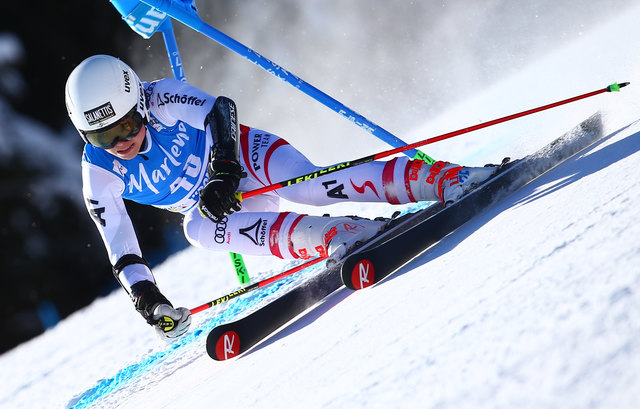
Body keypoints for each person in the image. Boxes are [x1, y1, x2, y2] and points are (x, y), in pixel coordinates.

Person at [65, 55, 497, 339]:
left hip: (245, 159)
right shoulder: (99, 173)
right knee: (196, 228)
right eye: (101, 136)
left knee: (308, 186)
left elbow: (220, 111)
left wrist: (225, 171)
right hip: (223, 208)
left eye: (124, 126)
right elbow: (121, 247)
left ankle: (441, 179)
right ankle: (338, 235)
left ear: (138, 103)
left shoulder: (160, 98)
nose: (119, 142)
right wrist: (150, 301)